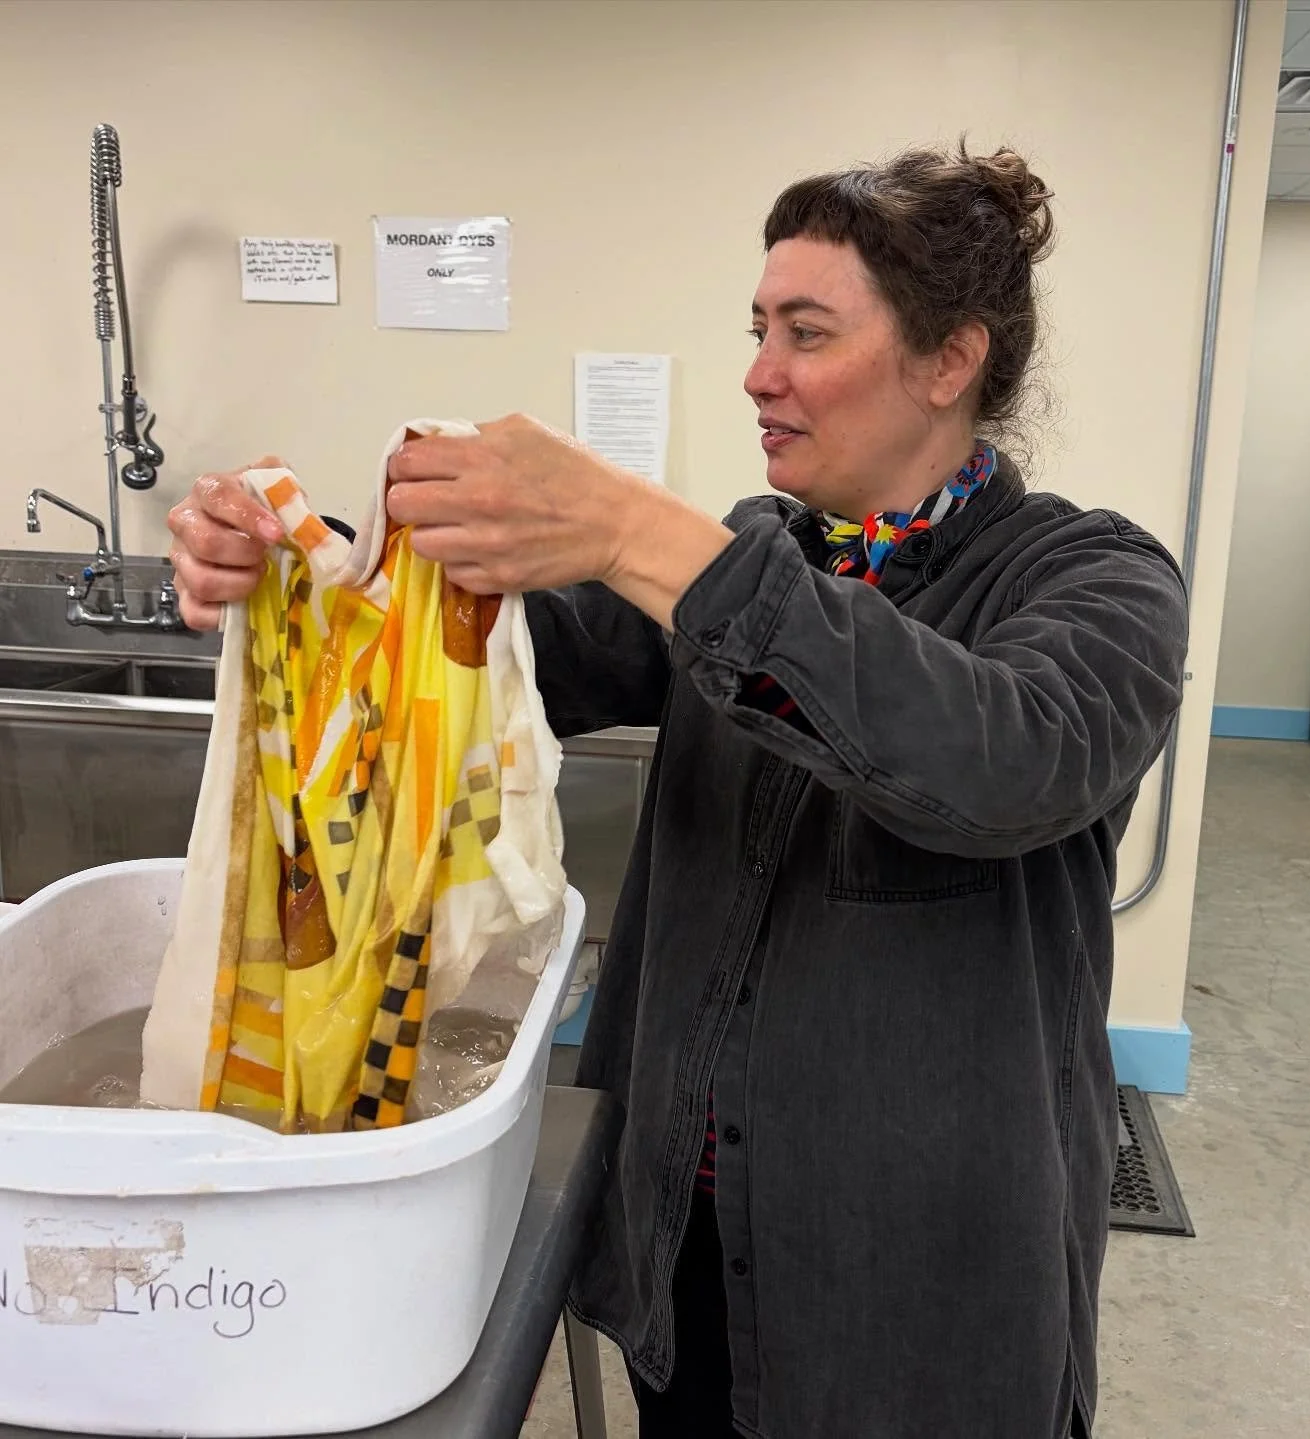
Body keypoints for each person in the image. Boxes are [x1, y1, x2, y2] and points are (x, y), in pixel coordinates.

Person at [166, 142, 1188, 1439]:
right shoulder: (757, 555)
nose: (759, 371)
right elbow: (529, 661)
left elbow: (999, 760)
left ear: (949, 360)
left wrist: (634, 527)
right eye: (758, 329)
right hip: (690, 1254)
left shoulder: (1097, 584)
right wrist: (305, 581)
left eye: (807, 332)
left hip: (908, 1297)